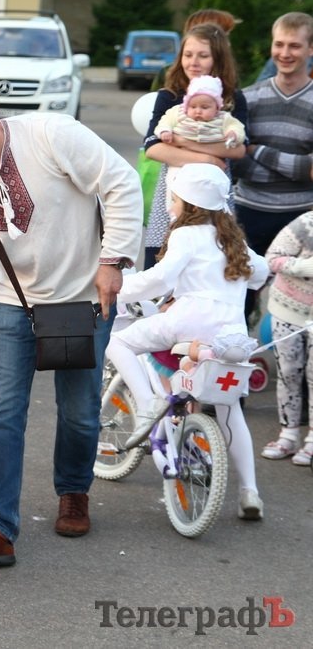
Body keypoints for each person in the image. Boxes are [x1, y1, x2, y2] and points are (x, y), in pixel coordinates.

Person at [0, 70, 142, 566]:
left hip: (85, 297)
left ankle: (73, 490)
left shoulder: (51, 134)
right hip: (13, 303)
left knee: (81, 412)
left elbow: (122, 182)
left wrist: (112, 261)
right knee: (0, 414)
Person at [106, 163, 268, 519]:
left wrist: (117, 286)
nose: (170, 204)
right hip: (231, 334)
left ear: (188, 203)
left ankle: (148, 403)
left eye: (174, 197)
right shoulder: (232, 238)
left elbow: (160, 280)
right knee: (229, 410)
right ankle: (249, 492)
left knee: (119, 343)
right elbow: (261, 272)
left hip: (188, 322)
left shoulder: (186, 234)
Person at [142, 23, 246, 269]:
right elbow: (153, 148)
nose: (193, 62)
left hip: (215, 194)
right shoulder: (169, 97)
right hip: (172, 193)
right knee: (162, 259)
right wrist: (208, 159)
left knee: (211, 260)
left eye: (203, 55)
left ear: (218, 59)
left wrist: (182, 143)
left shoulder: (232, 99)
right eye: (188, 55)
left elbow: (239, 149)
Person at [233, 13, 313, 269]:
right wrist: (297, 168)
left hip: (302, 218)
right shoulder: (247, 98)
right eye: (279, 44)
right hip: (247, 213)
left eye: (294, 45)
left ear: (311, 49)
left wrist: (256, 150)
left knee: (296, 304)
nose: (285, 53)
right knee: (240, 298)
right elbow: (235, 161)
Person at [263, 210, 313, 464]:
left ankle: (312, 441)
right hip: (288, 309)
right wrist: (304, 266)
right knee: (288, 371)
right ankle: (288, 435)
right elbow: (271, 258)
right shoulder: (305, 224)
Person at [155, 74, 246, 209]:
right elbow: (164, 122)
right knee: (174, 186)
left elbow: (238, 128)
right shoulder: (178, 113)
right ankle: (174, 210)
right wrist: (165, 131)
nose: (198, 111)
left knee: (211, 191)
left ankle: (212, 213)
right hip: (180, 160)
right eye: (193, 106)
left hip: (212, 165)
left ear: (217, 107)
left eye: (204, 107)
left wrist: (233, 134)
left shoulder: (223, 118)